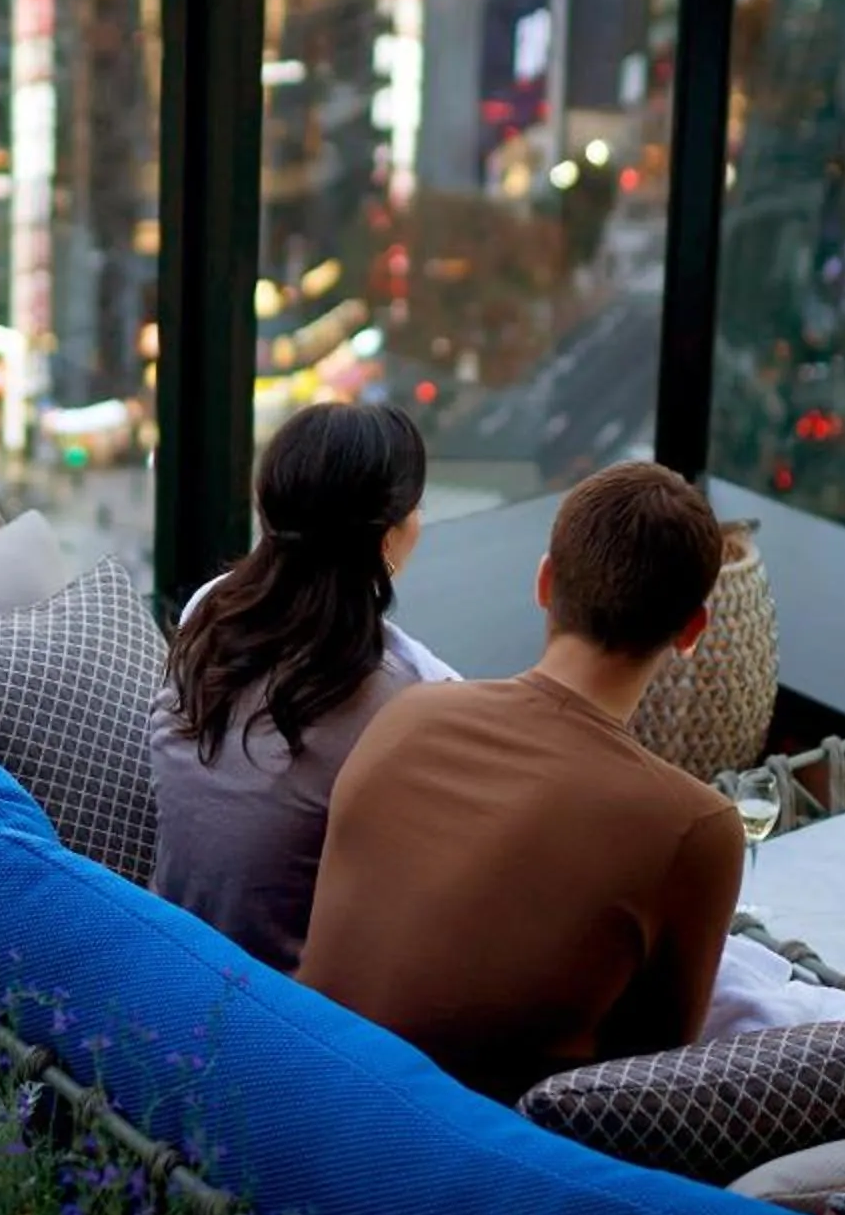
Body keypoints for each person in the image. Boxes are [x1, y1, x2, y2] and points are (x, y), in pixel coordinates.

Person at [298, 461, 742, 1101]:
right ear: (693, 631)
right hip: (475, 1173)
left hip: (298, 1100)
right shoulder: (695, 828)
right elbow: (651, 1082)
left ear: (544, 581)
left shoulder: (411, 714)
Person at [148, 401, 452, 974]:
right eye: (417, 508)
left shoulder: (208, 611)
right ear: (391, 535)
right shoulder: (418, 697)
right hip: (290, 1015)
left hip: (169, 959)